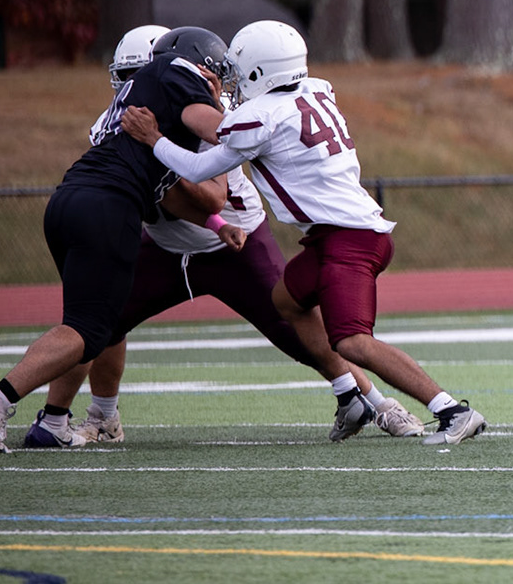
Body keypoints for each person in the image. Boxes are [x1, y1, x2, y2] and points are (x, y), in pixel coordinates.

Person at [24, 25, 424, 448]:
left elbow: (213, 199)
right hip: (166, 248)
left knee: (301, 327)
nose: (130, 88)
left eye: (141, 74)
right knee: (99, 320)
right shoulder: (121, 120)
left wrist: (155, 159)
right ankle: (90, 416)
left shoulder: (208, 117)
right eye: (126, 77)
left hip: (234, 245)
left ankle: (378, 403)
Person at [118, 21, 486, 445]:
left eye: (239, 71)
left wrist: (153, 137)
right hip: (335, 235)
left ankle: (451, 410)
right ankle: (350, 395)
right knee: (285, 300)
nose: (234, 80)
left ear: (259, 71)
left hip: (350, 239)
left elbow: (200, 167)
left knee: (353, 343)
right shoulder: (316, 89)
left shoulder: (261, 117)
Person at [0, 27, 237, 452]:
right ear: (197, 62)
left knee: (89, 322)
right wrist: (222, 104)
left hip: (72, 200)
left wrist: (219, 225)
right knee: (88, 330)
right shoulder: (175, 69)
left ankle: (53, 423)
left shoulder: (137, 102)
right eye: (216, 72)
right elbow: (227, 133)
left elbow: (166, 192)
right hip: (108, 208)